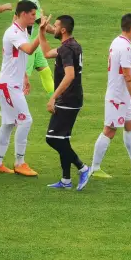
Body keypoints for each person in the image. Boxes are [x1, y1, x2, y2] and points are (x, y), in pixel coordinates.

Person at [90, 14, 131, 178]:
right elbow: (127, 75)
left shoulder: (117, 42)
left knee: (130, 125)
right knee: (109, 130)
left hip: (122, 96)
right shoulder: (125, 47)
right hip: (118, 97)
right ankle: (94, 168)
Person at [38, 15, 91, 190]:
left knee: (52, 139)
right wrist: (41, 32)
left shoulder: (67, 49)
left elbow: (70, 76)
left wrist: (53, 97)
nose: (53, 27)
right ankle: (66, 180)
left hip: (67, 99)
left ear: (63, 30)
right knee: (63, 138)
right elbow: (46, 53)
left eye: (56, 25)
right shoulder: (72, 45)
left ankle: (83, 168)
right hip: (74, 98)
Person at [0, 0, 40, 176]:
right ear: (24, 14)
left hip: (11, 83)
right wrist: (41, 34)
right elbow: (29, 50)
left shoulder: (22, 30)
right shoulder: (13, 33)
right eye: (33, 14)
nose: (35, 17)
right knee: (26, 120)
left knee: (8, 123)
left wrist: (25, 76)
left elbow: (17, 57)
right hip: (9, 85)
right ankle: (20, 162)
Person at [19, 0, 55, 97]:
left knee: (45, 71)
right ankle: (17, 109)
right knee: (23, 80)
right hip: (28, 45)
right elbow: (42, 24)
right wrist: (59, 32)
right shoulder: (28, 0)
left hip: (35, 42)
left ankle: (55, 101)